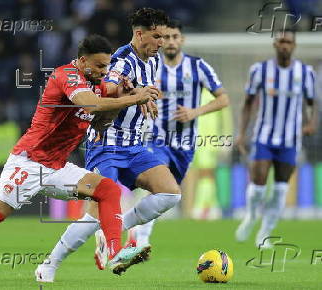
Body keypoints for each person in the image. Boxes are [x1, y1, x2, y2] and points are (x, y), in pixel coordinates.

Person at [0, 34, 159, 285]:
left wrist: (121, 101)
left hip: (57, 166)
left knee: (108, 190)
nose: (105, 71)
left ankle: (115, 253)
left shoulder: (98, 85)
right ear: (83, 61)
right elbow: (90, 105)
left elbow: (101, 120)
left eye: (107, 66)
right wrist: (134, 97)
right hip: (30, 161)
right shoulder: (66, 75)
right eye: (100, 65)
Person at [35, 8, 182, 282]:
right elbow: (109, 89)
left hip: (135, 146)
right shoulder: (121, 60)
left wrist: (146, 97)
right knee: (94, 212)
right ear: (140, 34)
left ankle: (111, 228)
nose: (162, 42)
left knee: (171, 194)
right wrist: (137, 92)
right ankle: (49, 264)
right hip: (107, 146)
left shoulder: (154, 61)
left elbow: (140, 93)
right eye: (157, 36)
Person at [125, 19, 229, 248]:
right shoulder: (151, 65)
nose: (170, 42)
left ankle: (129, 226)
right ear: (160, 41)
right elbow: (130, 90)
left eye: (175, 37)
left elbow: (223, 99)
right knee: (158, 187)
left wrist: (195, 112)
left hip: (185, 145)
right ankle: (139, 239)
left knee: (167, 197)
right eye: (166, 37)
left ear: (182, 40)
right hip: (156, 139)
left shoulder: (198, 67)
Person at [235, 29, 317, 247]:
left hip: (290, 140)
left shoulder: (305, 72)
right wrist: (241, 133)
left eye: (288, 42)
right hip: (264, 137)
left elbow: (311, 103)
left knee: (281, 189)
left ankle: (265, 232)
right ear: (274, 44)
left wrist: (311, 122)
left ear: (294, 45)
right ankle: (251, 216)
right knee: (259, 186)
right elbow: (248, 103)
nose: (284, 45)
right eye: (281, 41)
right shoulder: (260, 70)